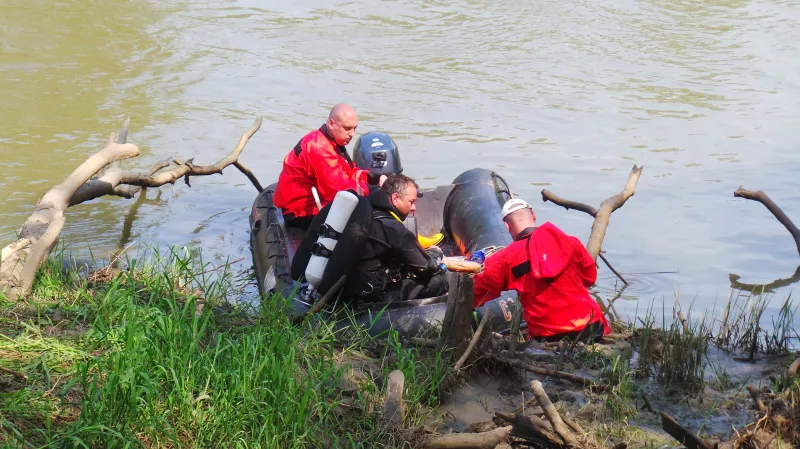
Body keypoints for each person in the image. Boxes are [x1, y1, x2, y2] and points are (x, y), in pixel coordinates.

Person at [472, 198, 610, 342]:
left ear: (507, 226)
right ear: (534, 216)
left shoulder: (504, 259)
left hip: (549, 336)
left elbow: (478, 291)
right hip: (590, 327)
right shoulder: (571, 242)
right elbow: (590, 278)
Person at [273, 104, 386, 230]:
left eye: (354, 128)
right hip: (301, 211)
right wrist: (373, 189)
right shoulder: (319, 148)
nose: (352, 134)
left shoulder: (330, 141)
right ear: (332, 123)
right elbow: (340, 192)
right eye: (347, 128)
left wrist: (372, 177)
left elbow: (349, 170)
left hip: (316, 201)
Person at [347, 174, 448, 303]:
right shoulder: (394, 229)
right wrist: (436, 253)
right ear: (395, 198)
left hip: (351, 289)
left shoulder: (368, 212)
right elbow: (425, 269)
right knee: (440, 280)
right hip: (374, 296)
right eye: (411, 202)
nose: (413, 208)